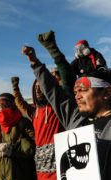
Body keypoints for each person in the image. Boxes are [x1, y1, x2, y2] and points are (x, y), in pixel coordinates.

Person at [22, 45, 111, 180]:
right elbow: (54, 93)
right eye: (75, 92)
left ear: (106, 93)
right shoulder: (76, 120)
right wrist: (35, 63)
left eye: (83, 90)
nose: (77, 96)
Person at [11, 76, 64, 180]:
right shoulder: (35, 112)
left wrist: (57, 79)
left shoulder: (57, 108)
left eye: (41, 87)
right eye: (35, 87)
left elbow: (63, 89)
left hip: (58, 158)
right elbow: (20, 103)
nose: (38, 90)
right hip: (41, 161)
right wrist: (15, 88)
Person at [0, 93, 36, 180]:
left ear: (12, 105)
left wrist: (13, 150)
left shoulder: (23, 123)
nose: (1, 106)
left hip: (19, 175)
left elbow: (34, 146)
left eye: (4, 103)